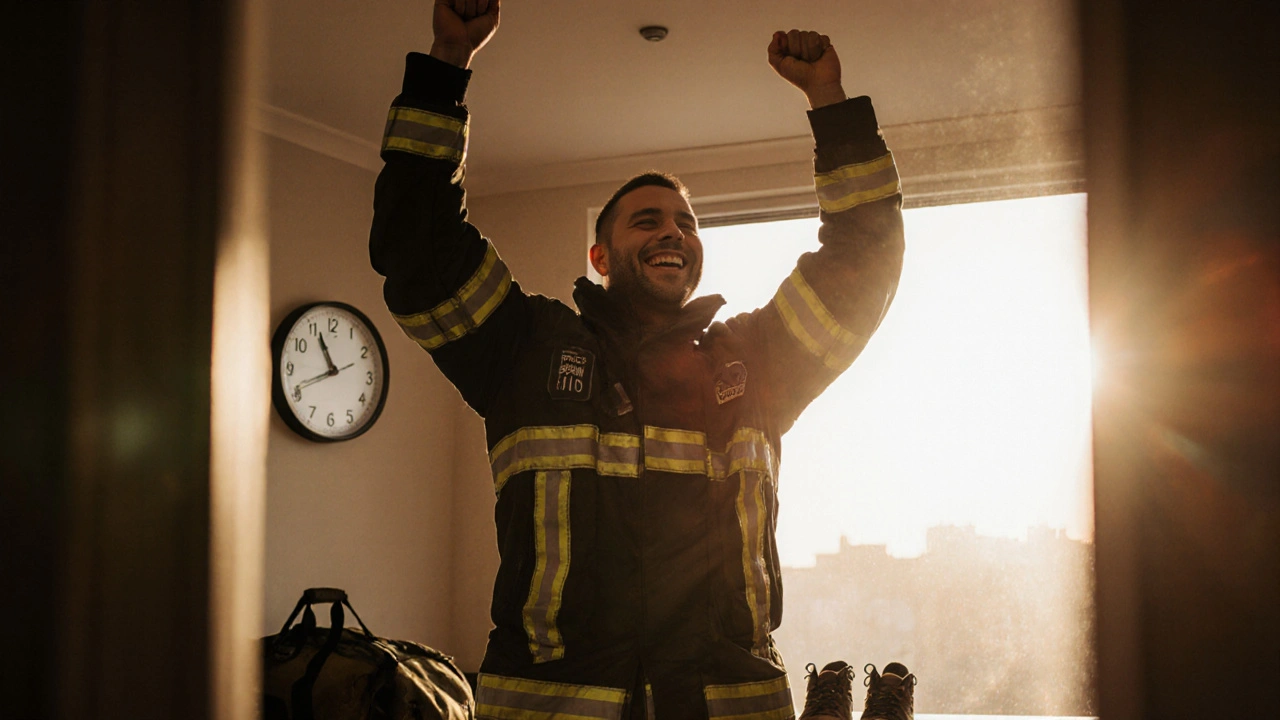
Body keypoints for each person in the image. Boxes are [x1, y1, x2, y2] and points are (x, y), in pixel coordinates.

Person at [369, 1, 907, 717]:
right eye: (647, 220)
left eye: (685, 222)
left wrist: (829, 104)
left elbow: (864, 263)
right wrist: (446, 64)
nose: (672, 233)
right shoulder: (524, 348)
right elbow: (418, 247)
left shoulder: (756, 362)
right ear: (600, 256)